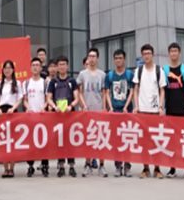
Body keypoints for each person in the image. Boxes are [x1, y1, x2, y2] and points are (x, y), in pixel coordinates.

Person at [132, 44, 167, 179]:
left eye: (149, 53)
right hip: (142, 111)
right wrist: (136, 106)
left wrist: (160, 106)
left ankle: (157, 168)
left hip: (155, 111)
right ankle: (145, 168)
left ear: (153, 55)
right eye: (144, 54)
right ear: (142, 56)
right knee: (144, 141)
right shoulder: (139, 71)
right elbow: (136, 89)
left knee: (156, 140)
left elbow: (162, 90)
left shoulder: (159, 70)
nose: (146, 56)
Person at [163, 43, 184, 179]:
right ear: (169, 53)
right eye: (171, 51)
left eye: (176, 51)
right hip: (170, 108)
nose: (174, 53)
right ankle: (172, 169)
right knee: (172, 139)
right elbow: (163, 88)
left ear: (179, 53)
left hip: (183, 108)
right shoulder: (164, 69)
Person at [46, 55, 80, 178]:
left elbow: (77, 98)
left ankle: (71, 166)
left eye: (63, 64)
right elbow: (48, 98)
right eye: (59, 64)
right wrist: (54, 106)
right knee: (59, 141)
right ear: (57, 67)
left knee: (70, 141)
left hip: (70, 115)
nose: (61, 66)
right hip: (57, 116)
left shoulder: (72, 81)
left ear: (67, 66)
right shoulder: (53, 82)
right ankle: (61, 166)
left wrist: (71, 106)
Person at [104, 49, 135, 177]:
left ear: (125, 60)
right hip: (115, 111)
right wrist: (110, 107)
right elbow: (107, 92)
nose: (118, 60)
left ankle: (127, 166)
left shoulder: (129, 74)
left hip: (127, 111)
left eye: (120, 58)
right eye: (116, 58)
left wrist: (126, 106)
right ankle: (118, 166)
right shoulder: (110, 75)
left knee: (127, 138)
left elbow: (132, 92)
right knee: (116, 140)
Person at [78, 48, 107, 177]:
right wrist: (83, 105)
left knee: (100, 139)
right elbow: (79, 92)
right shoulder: (82, 74)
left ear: (98, 58)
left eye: (94, 56)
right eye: (90, 56)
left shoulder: (102, 75)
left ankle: (102, 166)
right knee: (88, 139)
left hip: (99, 111)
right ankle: (88, 165)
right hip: (86, 111)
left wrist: (104, 108)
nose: (92, 58)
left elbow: (104, 93)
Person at [0, 60, 23, 178]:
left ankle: (12, 169)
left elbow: (19, 99)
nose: (7, 70)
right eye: (5, 68)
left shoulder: (17, 83)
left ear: (13, 70)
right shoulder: (0, 83)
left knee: (12, 141)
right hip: (2, 113)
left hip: (12, 113)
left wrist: (13, 108)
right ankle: (5, 169)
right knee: (3, 141)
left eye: (9, 68)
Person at [23, 58, 49, 177]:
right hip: (30, 117)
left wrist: (44, 108)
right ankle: (30, 166)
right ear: (30, 68)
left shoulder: (45, 82)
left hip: (43, 116)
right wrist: (27, 108)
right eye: (33, 65)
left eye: (37, 65)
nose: (35, 67)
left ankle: (45, 166)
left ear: (41, 68)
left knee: (44, 142)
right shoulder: (26, 83)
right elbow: (25, 99)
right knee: (30, 143)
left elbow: (48, 99)